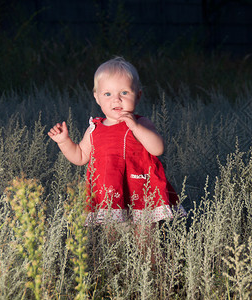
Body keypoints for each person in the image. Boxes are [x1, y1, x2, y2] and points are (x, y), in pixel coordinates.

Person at [48, 57, 186, 227]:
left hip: (140, 191)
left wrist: (135, 127)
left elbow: (158, 149)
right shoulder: (94, 128)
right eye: (108, 94)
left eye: (124, 93)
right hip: (110, 194)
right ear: (97, 98)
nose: (116, 99)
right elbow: (80, 156)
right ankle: (118, 253)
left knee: (144, 238)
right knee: (112, 237)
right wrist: (64, 141)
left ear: (138, 96)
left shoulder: (140, 123)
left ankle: (149, 254)